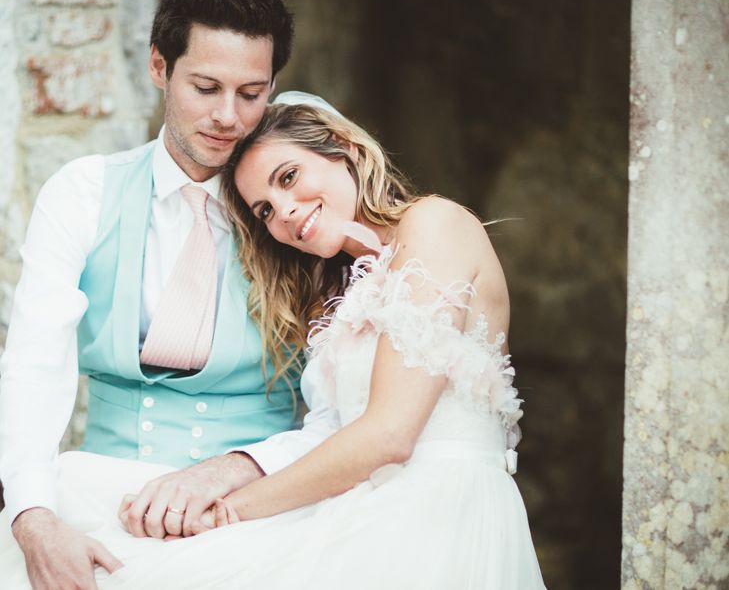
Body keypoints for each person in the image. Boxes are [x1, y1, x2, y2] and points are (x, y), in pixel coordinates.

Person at [2, 94, 547, 589]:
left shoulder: (435, 223)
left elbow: (388, 435)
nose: (282, 212)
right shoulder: (347, 290)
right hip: (365, 505)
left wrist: (225, 513)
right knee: (72, 507)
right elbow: (332, 428)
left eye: (288, 177)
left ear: (345, 148)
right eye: (264, 209)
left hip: (439, 515)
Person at [0, 0, 338, 590]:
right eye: (205, 87)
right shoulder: (83, 193)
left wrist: (239, 468)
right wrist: (31, 515)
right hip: (102, 500)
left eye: (251, 92)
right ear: (160, 67)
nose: (228, 117)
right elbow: (34, 361)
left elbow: (338, 408)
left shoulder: (297, 216)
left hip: (255, 510)